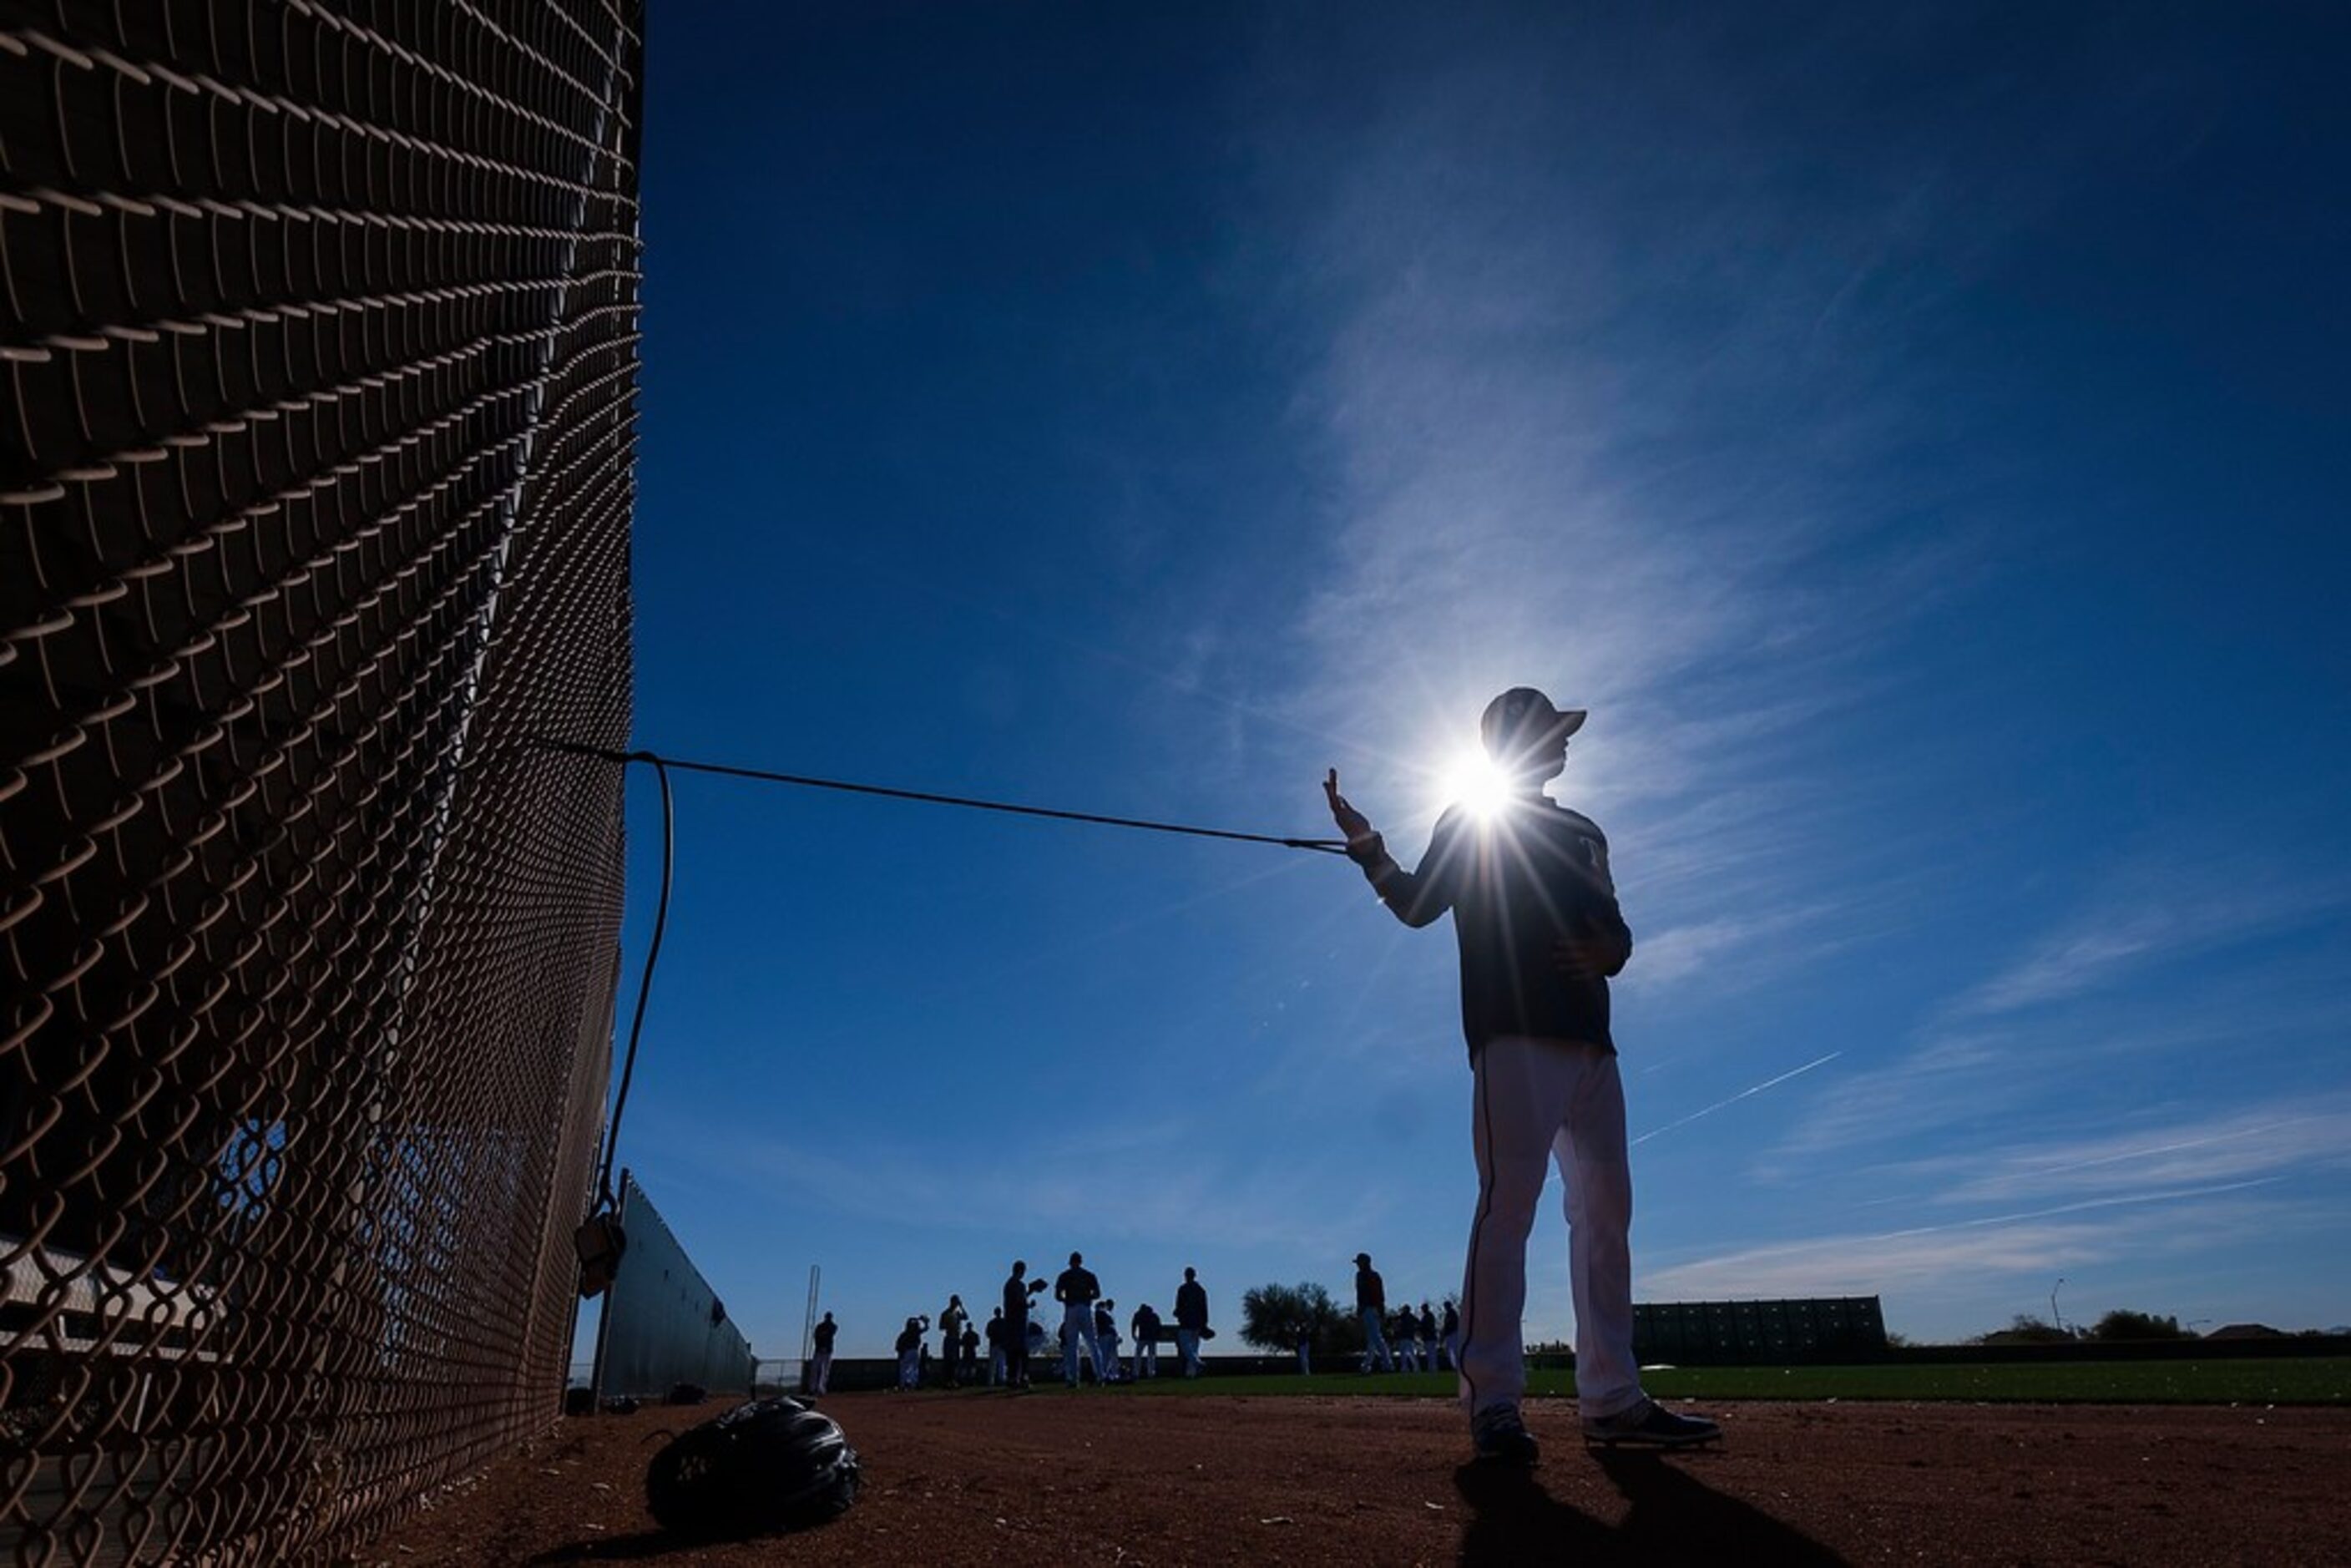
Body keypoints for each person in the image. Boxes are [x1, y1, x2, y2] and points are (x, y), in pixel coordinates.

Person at [1324, 686, 1722, 1464]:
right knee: (1509, 1209)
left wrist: (1615, 952)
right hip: (1511, 1034)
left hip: (1593, 1042)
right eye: (1550, 732)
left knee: (1607, 1213)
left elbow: (1616, 929)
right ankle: (1492, 1402)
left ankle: (1612, 1399)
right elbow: (1416, 906)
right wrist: (1371, 851)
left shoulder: (1584, 830)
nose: (1565, 743)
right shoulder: (1470, 821)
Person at [1055, 1251, 1104, 1387]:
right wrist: (1087, 1297)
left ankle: (1074, 1379)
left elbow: (1058, 1296)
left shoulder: (1065, 1276)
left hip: (1071, 1309)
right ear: (1081, 1261)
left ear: (1071, 1262)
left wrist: (1067, 1299)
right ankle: (1100, 1377)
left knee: (1072, 1345)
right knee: (1092, 1344)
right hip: (1085, 1308)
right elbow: (1098, 1294)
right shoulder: (1089, 1275)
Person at [1003, 1260, 1046, 1391]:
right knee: (1022, 1351)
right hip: (1019, 1321)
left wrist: (1030, 1291)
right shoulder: (1019, 1284)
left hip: (1010, 1320)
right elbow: (1020, 1302)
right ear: (1022, 1270)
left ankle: (1012, 1378)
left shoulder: (1008, 1284)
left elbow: (1017, 1300)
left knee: (1013, 1352)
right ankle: (1023, 1377)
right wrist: (1030, 1304)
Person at [1353, 1253, 1393, 1372]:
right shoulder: (1373, 1275)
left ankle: (1388, 1364)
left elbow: (1367, 1294)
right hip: (1373, 1308)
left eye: (1360, 1262)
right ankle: (1366, 1366)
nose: (1358, 1265)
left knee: (1376, 1337)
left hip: (1370, 1308)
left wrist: (1361, 1308)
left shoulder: (1365, 1275)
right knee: (1372, 1339)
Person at [1173, 1266, 1209, 1378]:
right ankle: (1191, 1373)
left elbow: (1179, 1305)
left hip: (1186, 1322)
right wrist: (1204, 1323)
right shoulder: (1200, 1290)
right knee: (1194, 1347)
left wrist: (1177, 1313)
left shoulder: (1183, 1289)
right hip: (1197, 1322)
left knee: (1185, 1346)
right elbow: (1204, 1308)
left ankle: (1197, 1363)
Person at [939, 1294, 969, 1387]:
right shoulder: (945, 1313)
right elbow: (941, 1327)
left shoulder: (957, 1314)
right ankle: (948, 1381)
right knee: (948, 1361)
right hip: (949, 1338)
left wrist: (962, 1306)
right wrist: (949, 1325)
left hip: (956, 1338)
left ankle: (954, 1380)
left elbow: (966, 1317)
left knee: (956, 1360)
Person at [1130, 1302, 1162, 1378]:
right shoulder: (1154, 1315)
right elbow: (1159, 1327)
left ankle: (1136, 1373)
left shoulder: (1138, 1315)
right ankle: (1151, 1373)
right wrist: (1157, 1336)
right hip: (1152, 1338)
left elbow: (1134, 1324)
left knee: (1138, 1355)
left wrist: (1133, 1334)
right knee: (1151, 1356)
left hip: (1142, 1337)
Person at [808, 1312, 837, 1397]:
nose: (828, 1319)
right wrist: (820, 1345)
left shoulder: (833, 1326)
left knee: (824, 1371)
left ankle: (821, 1390)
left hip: (827, 1351)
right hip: (819, 1350)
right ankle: (812, 1389)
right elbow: (817, 1337)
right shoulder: (820, 1326)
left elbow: (830, 1333)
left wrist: (823, 1335)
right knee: (815, 1370)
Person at [1094, 1299, 1123, 1383]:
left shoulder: (1099, 1312)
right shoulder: (1108, 1313)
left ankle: (1104, 1374)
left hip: (1104, 1335)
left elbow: (1095, 1326)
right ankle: (1114, 1375)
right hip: (1111, 1334)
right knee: (1113, 1356)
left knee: (1105, 1356)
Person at [894, 1317, 924, 1392]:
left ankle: (904, 1385)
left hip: (907, 1351)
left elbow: (898, 1346)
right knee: (914, 1369)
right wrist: (922, 1320)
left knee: (904, 1369)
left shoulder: (904, 1334)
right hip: (915, 1351)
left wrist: (900, 1353)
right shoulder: (917, 1332)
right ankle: (913, 1384)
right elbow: (926, 1328)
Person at [986, 1308, 1009, 1387]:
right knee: (994, 1363)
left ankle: (1000, 1380)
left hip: (1000, 1344)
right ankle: (993, 1381)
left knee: (1001, 1363)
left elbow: (988, 1333)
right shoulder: (995, 1323)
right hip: (995, 1344)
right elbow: (988, 1333)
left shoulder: (1002, 1322)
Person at [1441, 1298, 1461, 1372]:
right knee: (1449, 1351)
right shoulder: (1448, 1314)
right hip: (1449, 1334)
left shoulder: (1452, 1313)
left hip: (1453, 1333)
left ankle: (1457, 1366)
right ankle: (1454, 1366)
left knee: (1454, 1350)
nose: (1445, 1307)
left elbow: (1450, 1324)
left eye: (1446, 1306)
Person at [1420, 1302, 1441, 1371]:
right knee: (1431, 1353)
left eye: (1423, 1308)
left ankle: (1433, 1367)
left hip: (1430, 1337)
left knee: (1431, 1353)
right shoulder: (1427, 1316)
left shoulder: (1428, 1316)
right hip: (1429, 1337)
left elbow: (1426, 1326)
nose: (1422, 1310)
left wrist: (1421, 1327)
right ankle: (1432, 1367)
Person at [960, 1318, 981, 1383]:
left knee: (968, 1367)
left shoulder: (965, 1335)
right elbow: (977, 1343)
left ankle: (968, 1379)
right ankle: (969, 1379)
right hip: (970, 1351)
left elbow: (962, 1343)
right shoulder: (973, 1335)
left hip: (969, 1351)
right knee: (969, 1367)